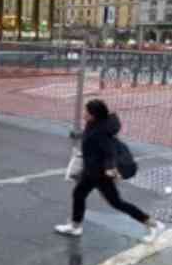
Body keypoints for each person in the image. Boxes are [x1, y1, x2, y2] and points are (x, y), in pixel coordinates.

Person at [55, 99, 165, 239]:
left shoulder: (101, 132)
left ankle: (154, 224)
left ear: (94, 115)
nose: (84, 114)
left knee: (116, 203)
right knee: (79, 194)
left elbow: (110, 152)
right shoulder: (93, 124)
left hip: (100, 174)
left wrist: (109, 168)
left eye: (86, 112)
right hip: (91, 171)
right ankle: (75, 227)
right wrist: (79, 135)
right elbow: (89, 135)